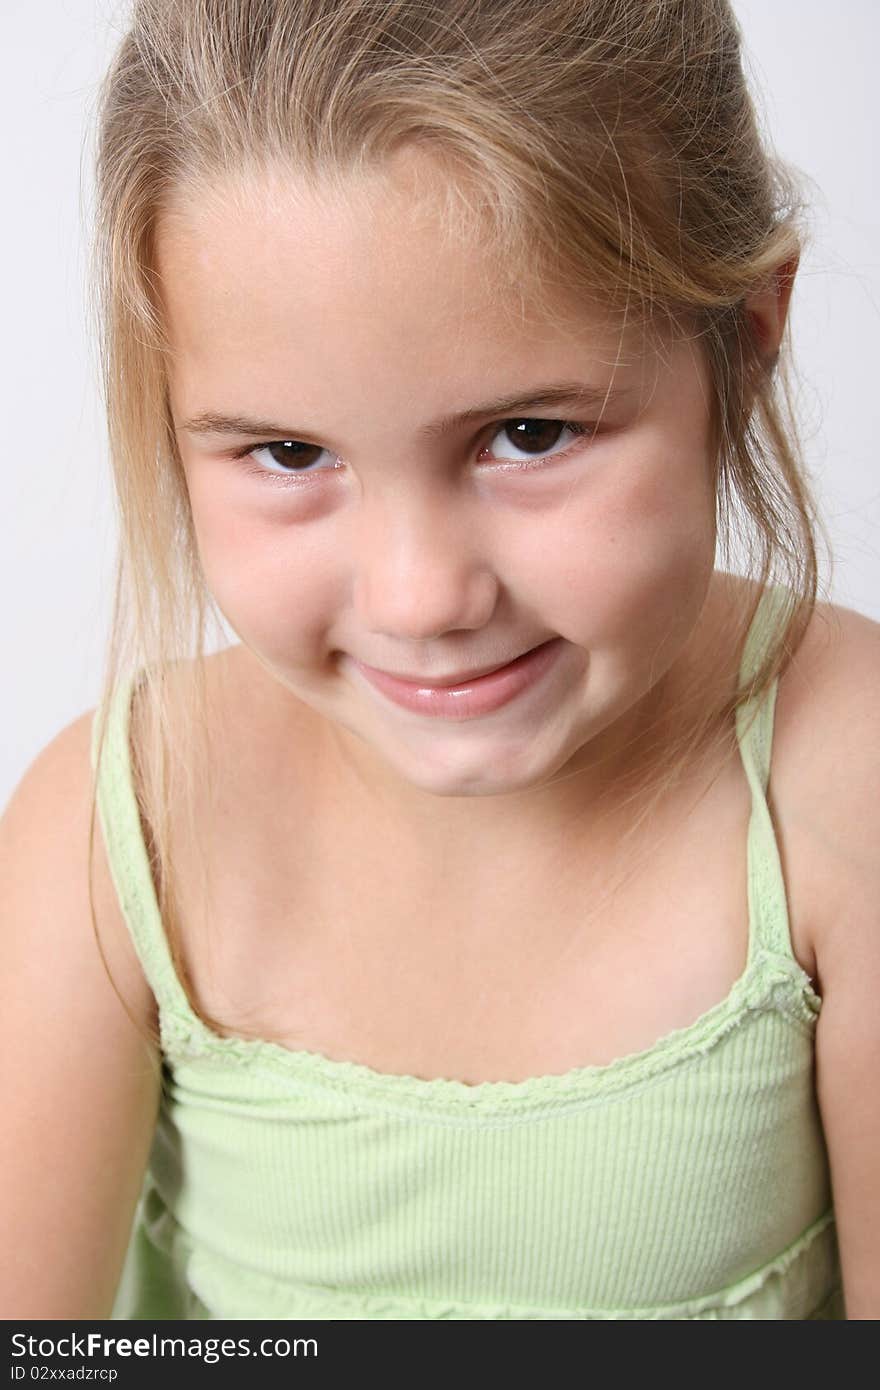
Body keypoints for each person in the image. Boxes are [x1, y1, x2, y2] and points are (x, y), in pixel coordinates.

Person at [1, 0, 877, 1322]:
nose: (420, 597)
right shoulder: (123, 823)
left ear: (748, 336)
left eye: (527, 434)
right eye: (292, 455)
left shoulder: (844, 777)